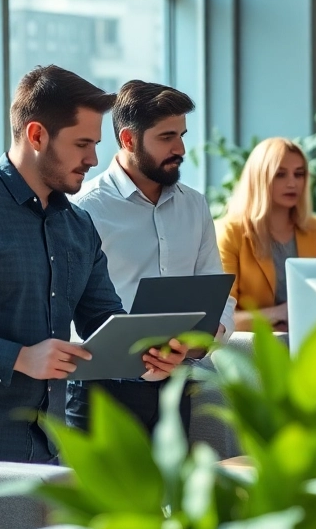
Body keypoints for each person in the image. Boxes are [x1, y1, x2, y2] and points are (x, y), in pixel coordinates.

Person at [0, 66, 188, 463]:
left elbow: (103, 319)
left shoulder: (78, 225)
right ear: (36, 135)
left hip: (45, 446)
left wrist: (146, 358)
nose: (93, 159)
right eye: (82, 144)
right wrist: (19, 357)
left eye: (95, 144)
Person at [69, 80, 236, 434]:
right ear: (128, 140)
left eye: (182, 135)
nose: (180, 148)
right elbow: (68, 309)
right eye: (166, 137)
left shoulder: (195, 205)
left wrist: (196, 345)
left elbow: (217, 295)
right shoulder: (85, 210)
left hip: (176, 386)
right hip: (103, 392)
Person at [217, 137, 316, 332]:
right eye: (280, 174)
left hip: (309, 337)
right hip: (252, 344)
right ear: (259, 178)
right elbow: (221, 318)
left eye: (299, 174)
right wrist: (279, 313)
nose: (292, 183)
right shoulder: (230, 232)